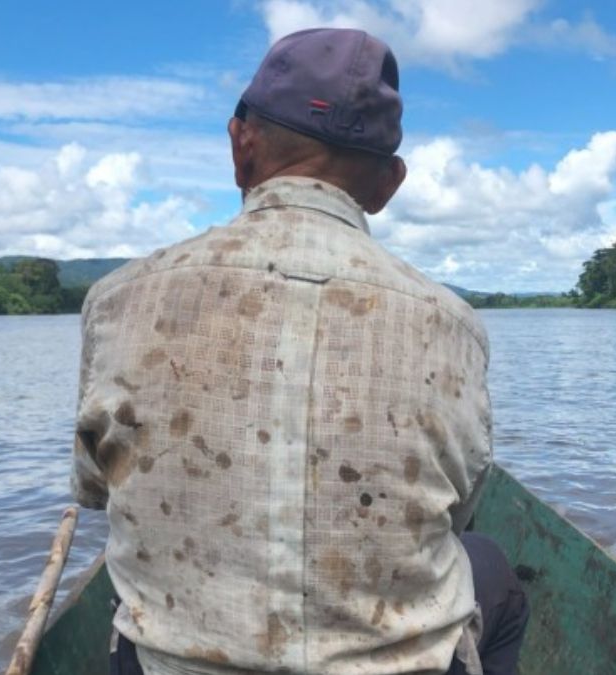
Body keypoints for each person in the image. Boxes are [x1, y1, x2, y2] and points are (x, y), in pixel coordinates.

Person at [73, 27, 528, 675]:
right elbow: (459, 510)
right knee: (492, 565)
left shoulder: (118, 300)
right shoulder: (454, 324)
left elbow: (95, 488)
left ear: (240, 145)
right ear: (388, 184)